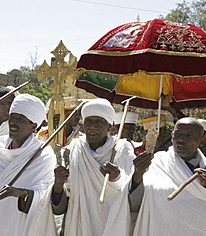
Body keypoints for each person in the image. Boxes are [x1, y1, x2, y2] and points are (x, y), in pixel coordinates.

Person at [29, 98, 135, 236]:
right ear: (83, 126)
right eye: (89, 121)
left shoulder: (122, 150)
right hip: (77, 225)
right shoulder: (73, 150)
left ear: (110, 126)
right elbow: (61, 201)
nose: (93, 126)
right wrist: (58, 184)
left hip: (110, 223)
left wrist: (116, 179)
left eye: (99, 121)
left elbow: (132, 192)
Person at [0, 93, 56, 235]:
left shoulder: (43, 155)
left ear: (33, 125)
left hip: (18, 224)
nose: (13, 122)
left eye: (20, 119)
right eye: (12, 117)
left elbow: (45, 194)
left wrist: (20, 193)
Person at [132, 117, 206, 236]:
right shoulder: (157, 163)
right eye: (177, 134)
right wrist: (137, 175)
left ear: (202, 141)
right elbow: (135, 204)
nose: (181, 139)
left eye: (189, 135)